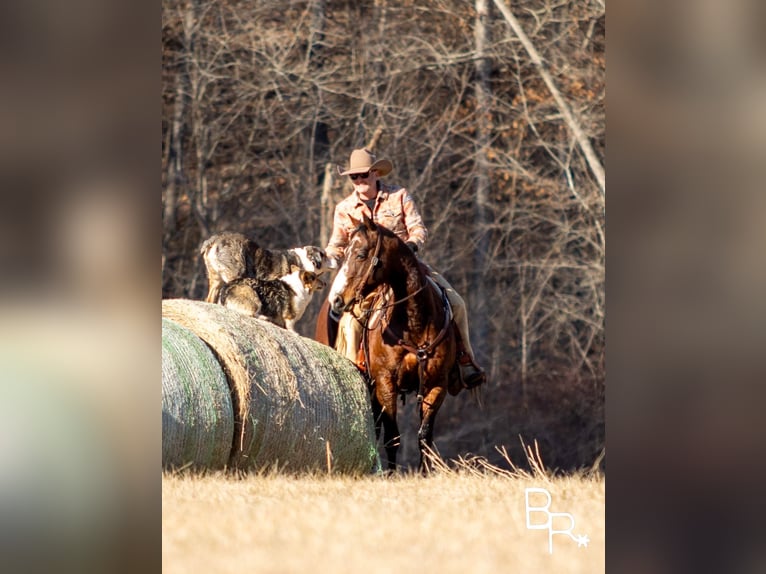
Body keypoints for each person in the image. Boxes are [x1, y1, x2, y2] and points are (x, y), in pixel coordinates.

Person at [325, 148, 485, 388]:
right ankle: (347, 372)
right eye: (353, 177)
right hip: (364, 273)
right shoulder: (344, 208)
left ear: (376, 173)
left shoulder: (398, 196)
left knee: (457, 303)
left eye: (363, 175)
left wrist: (410, 246)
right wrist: (325, 262)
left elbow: (418, 228)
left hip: (405, 269)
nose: (359, 181)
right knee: (346, 317)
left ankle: (464, 361)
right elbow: (337, 245)